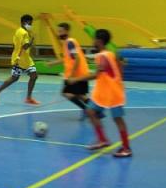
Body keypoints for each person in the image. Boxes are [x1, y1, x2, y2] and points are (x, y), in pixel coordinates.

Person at [68, 29, 132, 158]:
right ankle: (103, 139)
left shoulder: (103, 56)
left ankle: (126, 148)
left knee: (118, 119)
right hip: (104, 92)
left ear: (99, 40)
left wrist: (76, 79)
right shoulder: (108, 54)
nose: (92, 41)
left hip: (113, 93)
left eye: (94, 39)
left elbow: (96, 75)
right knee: (90, 111)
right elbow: (120, 67)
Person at [0, 14, 39, 105]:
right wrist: (32, 41)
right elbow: (25, 46)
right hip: (20, 59)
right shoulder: (24, 33)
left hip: (25, 59)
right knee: (15, 78)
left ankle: (28, 98)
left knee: (33, 76)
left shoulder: (18, 31)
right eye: (30, 23)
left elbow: (14, 45)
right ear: (24, 22)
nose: (31, 25)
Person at [49, 22, 91, 118]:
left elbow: (77, 58)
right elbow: (67, 58)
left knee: (66, 93)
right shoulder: (68, 43)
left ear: (67, 31)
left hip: (76, 74)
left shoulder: (70, 43)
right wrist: (53, 63)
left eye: (61, 31)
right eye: (58, 31)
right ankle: (96, 110)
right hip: (82, 73)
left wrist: (72, 75)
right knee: (81, 95)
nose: (59, 34)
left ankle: (87, 110)